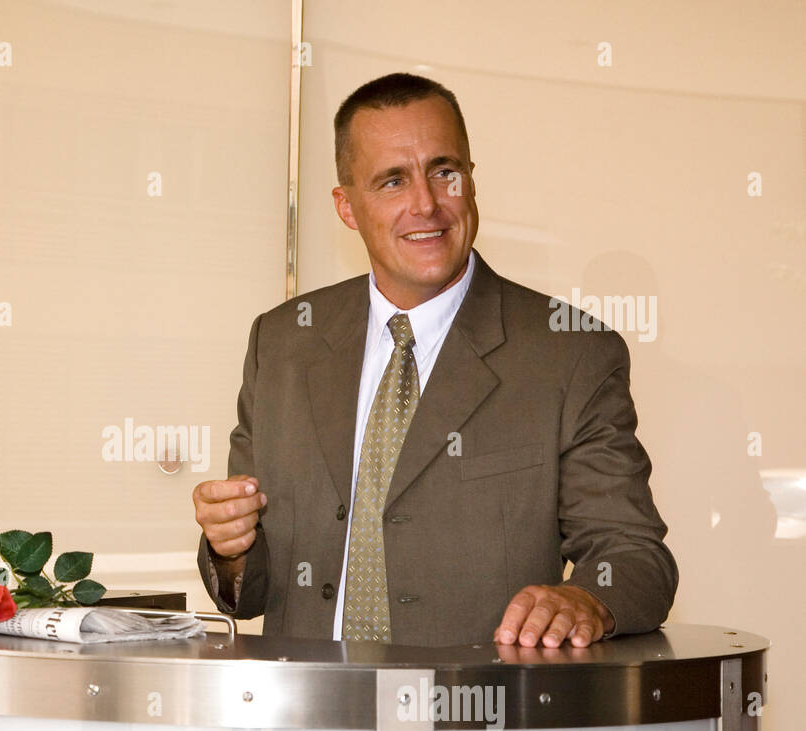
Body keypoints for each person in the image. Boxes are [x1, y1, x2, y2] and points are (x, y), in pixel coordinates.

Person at [191, 73, 677, 648]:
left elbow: (634, 556)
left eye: (444, 171)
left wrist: (585, 599)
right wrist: (230, 546)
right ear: (347, 207)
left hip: (480, 721)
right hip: (303, 718)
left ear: (470, 182)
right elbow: (247, 591)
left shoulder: (570, 354)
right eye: (393, 181)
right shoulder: (283, 342)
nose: (426, 204)